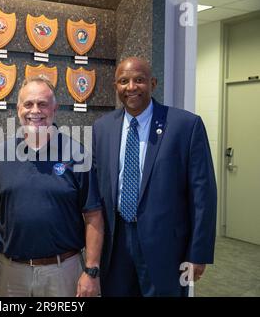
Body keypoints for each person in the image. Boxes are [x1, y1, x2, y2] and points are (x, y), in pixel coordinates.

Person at [92, 57, 217, 296]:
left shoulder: (186, 126)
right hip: (115, 244)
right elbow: (97, 190)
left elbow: (204, 195)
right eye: (124, 81)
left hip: (167, 249)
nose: (131, 87)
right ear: (115, 86)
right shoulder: (102, 128)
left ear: (153, 83)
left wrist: (198, 253)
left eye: (139, 80)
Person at [0, 77, 104, 297]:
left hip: (63, 273)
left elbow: (94, 215)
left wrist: (91, 270)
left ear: (55, 109)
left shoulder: (76, 154)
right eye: (28, 104)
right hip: (11, 274)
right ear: (18, 108)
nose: (35, 110)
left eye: (43, 104)